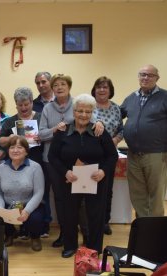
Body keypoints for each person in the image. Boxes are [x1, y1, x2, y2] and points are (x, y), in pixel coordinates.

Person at [48, 94, 118, 258]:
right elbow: (53, 157)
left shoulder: (99, 131)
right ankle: (70, 246)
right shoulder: (62, 131)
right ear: (74, 111)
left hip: (96, 180)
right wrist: (65, 171)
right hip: (70, 180)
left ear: (92, 112)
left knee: (95, 215)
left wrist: (103, 171)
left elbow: (112, 156)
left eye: (88, 111)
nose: (83, 115)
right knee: (69, 214)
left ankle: (93, 248)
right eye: (80, 111)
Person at [39, 74, 104, 248]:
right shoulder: (47, 108)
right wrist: (56, 130)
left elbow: (91, 118)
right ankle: (65, 235)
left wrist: (99, 122)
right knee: (61, 200)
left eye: (63, 84)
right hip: (53, 160)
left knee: (82, 201)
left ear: (69, 86)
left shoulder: (79, 103)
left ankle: (86, 236)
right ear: (52, 88)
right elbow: (41, 134)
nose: (59, 87)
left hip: (79, 161)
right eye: (56, 85)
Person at [120, 64, 167, 218]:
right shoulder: (131, 98)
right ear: (138, 77)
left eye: (150, 75)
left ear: (157, 78)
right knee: (137, 194)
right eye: (142, 74)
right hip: (133, 154)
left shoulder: (164, 97)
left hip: (156, 154)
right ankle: (143, 227)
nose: (145, 78)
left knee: (156, 194)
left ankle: (156, 231)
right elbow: (117, 117)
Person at [0, 136, 45, 251]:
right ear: (8, 151)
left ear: (26, 151)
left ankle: (35, 237)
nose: (15, 150)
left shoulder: (35, 167)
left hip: (29, 205)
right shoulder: (1, 168)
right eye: (12, 147)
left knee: (35, 219)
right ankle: (9, 235)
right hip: (8, 205)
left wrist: (27, 211)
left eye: (19, 147)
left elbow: (39, 192)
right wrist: (0, 209)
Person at [91, 76, 123, 235]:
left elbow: (121, 130)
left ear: (110, 91)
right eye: (99, 87)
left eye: (105, 87)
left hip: (109, 155)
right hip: (90, 153)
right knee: (90, 189)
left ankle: (104, 221)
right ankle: (90, 222)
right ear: (94, 90)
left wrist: (116, 139)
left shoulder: (117, 108)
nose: (102, 90)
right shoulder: (88, 106)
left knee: (106, 190)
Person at [33, 71, 55, 238]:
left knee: (63, 194)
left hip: (63, 155)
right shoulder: (33, 105)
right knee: (43, 190)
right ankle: (44, 225)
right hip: (42, 155)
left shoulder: (63, 102)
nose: (41, 85)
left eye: (43, 82)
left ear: (51, 82)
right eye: (38, 83)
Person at [0, 87, 42, 165]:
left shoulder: (41, 118)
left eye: (26, 104)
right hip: (16, 163)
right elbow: (0, 141)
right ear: (16, 104)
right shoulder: (10, 121)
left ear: (32, 102)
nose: (23, 108)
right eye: (20, 105)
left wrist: (42, 137)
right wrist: (10, 138)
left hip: (38, 161)